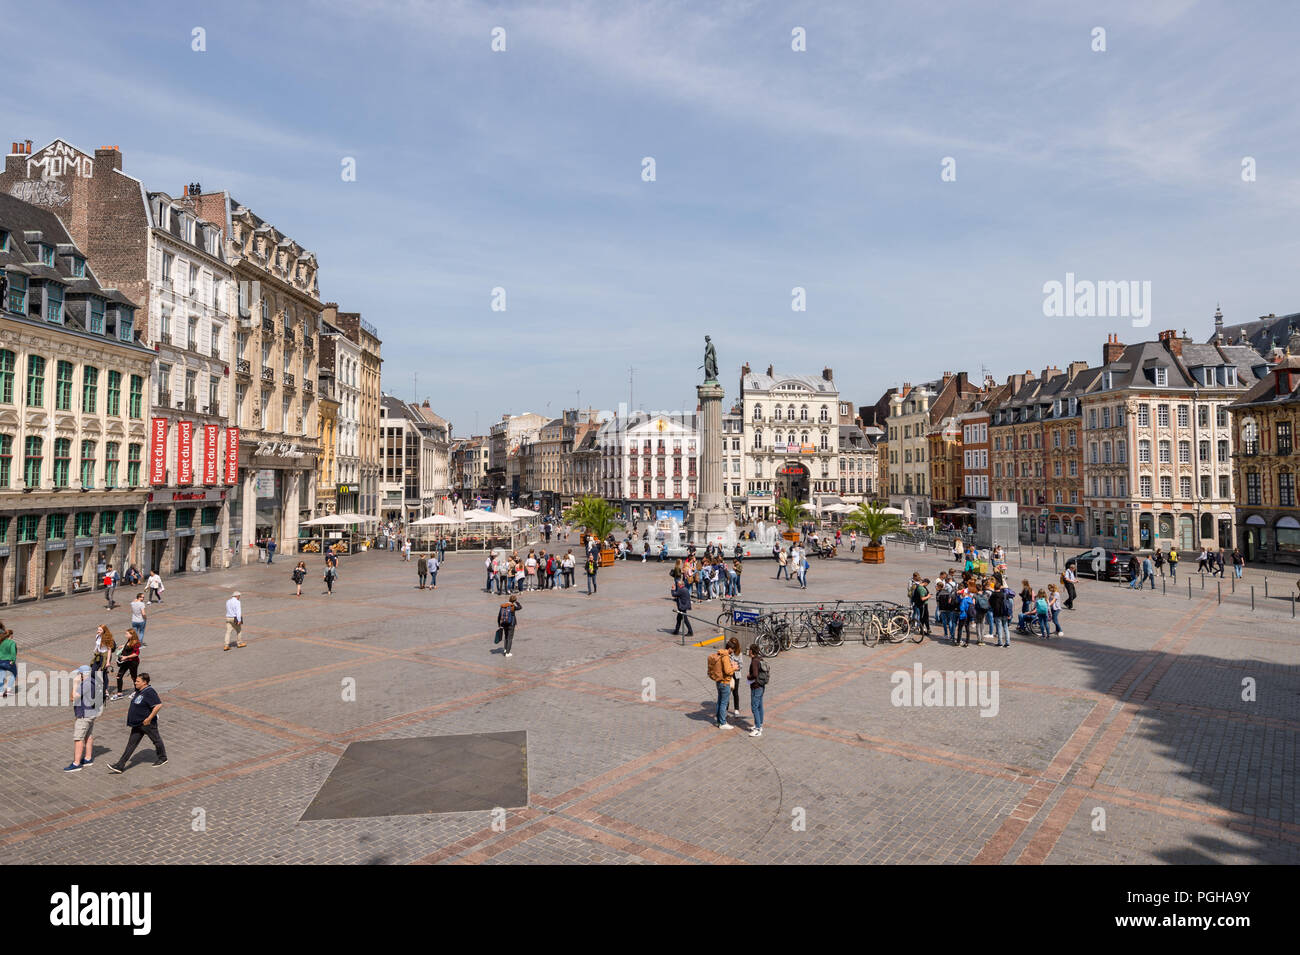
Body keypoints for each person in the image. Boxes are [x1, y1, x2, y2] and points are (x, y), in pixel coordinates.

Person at [106, 672, 166, 772]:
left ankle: (163, 758)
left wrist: (149, 718)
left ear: (145, 682)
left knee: (156, 740)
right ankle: (120, 765)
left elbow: (158, 705)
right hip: (138, 724)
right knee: (131, 745)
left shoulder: (149, 692)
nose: (135, 683)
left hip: (147, 723)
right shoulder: (139, 690)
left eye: (138, 681)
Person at [65, 663, 103, 772]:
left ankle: (76, 763)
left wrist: (75, 683)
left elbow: (73, 698)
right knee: (88, 735)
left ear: (82, 674)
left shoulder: (85, 684)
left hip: (84, 715)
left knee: (78, 738)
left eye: (79, 674)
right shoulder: (93, 681)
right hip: (91, 713)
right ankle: (88, 758)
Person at [707, 640, 738, 729]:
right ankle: (723, 723)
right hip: (725, 683)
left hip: (719, 682)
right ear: (729, 648)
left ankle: (718, 721)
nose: (733, 651)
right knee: (724, 703)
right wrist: (734, 668)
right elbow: (728, 671)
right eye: (733, 649)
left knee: (720, 702)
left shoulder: (720, 653)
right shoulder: (725, 657)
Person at [112, 629, 142, 700]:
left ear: (132, 635)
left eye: (127, 634)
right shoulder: (129, 641)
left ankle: (137, 691)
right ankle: (119, 694)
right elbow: (128, 646)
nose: (125, 635)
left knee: (134, 677)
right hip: (125, 662)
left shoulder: (135, 643)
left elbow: (136, 654)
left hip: (133, 662)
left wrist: (126, 657)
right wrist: (123, 646)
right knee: (119, 676)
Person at [747, 643, 769, 737]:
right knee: (760, 706)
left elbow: (755, 675)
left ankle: (757, 729)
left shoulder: (754, 661)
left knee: (754, 707)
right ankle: (760, 724)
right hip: (761, 685)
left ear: (751, 651)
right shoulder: (760, 659)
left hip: (756, 686)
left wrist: (749, 676)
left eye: (749, 650)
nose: (748, 651)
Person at [92, 625, 115, 704]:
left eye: (100, 630)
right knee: (93, 672)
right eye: (98, 629)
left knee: (104, 673)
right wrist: (95, 650)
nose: (98, 631)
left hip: (105, 656)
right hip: (99, 655)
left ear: (104, 631)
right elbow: (97, 645)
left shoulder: (107, 638)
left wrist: (108, 662)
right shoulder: (97, 636)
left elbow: (109, 651)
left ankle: (105, 690)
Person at [726, 637, 743, 719]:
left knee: (735, 692)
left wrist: (736, 666)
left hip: (736, 675)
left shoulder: (739, 654)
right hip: (728, 674)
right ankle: (725, 709)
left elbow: (741, 665)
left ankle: (736, 709)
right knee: (727, 692)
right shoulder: (727, 652)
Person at [0, 627, 15, 699]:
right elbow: (13, 653)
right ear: (10, 635)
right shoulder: (12, 642)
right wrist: (13, 660)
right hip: (8, 661)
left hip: (0, 661)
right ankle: (8, 691)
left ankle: (1, 692)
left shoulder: (1, 641)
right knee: (14, 673)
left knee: (1, 675)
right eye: (12, 634)